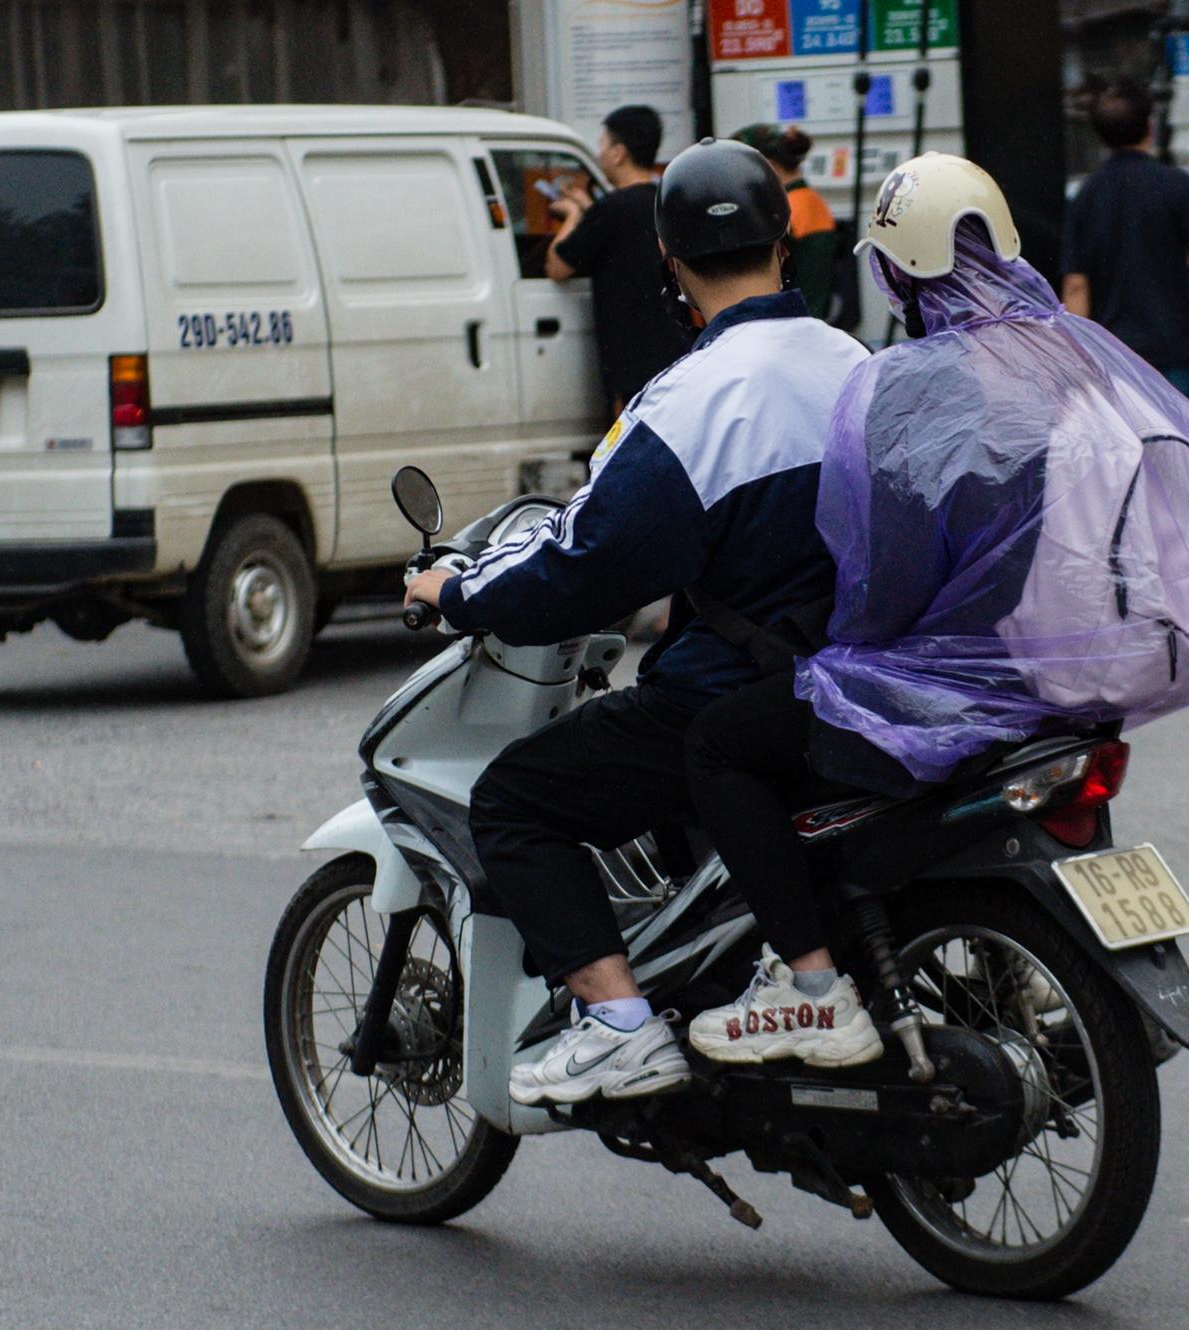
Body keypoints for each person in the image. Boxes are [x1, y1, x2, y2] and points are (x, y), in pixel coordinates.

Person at [681, 154, 1189, 1063]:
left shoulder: (908, 385)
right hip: (1106, 671)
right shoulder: (1081, 351)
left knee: (721, 742)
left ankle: (810, 985)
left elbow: (881, 588)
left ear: (892, 268)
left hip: (981, 684)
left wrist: (842, 650)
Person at [403, 139, 876, 1105]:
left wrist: (456, 592)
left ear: (669, 264)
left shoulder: (687, 402)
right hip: (862, 681)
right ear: (785, 241)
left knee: (514, 801)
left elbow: (580, 568)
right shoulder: (855, 363)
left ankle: (619, 1025)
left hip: (739, 693)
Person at [1059, 78, 1189, 401]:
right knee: (1180, 445)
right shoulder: (1176, 185)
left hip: (1113, 356)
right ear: (1150, 127)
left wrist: (1080, 355)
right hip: (1174, 350)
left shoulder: (1085, 197)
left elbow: (1076, 285)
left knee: (1128, 449)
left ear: (1099, 135)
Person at [544, 104, 693, 411]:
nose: (599, 154)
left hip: (629, 364)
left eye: (602, 145)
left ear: (618, 153)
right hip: (675, 352)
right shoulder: (668, 199)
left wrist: (572, 215)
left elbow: (557, 266)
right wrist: (590, 211)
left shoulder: (612, 208)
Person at [734, 123, 839, 320]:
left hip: (788, 323)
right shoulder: (812, 201)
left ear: (767, 164)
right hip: (812, 323)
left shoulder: (781, 212)